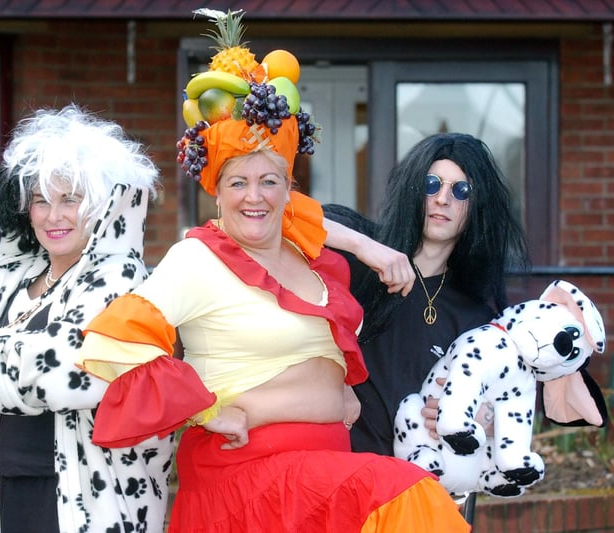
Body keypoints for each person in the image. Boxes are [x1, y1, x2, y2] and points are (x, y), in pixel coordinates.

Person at [75, 88, 472, 529]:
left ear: (289, 190)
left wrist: (336, 376)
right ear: (216, 192)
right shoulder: (198, 259)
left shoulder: (307, 256)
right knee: (407, 494)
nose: (254, 196)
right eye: (238, 182)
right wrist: (206, 412)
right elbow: (117, 340)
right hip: (247, 476)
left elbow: (316, 226)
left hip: (320, 470)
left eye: (269, 181)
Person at [0, 104, 174, 533]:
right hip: (4, 485)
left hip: (95, 496)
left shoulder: (123, 278)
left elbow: (69, 373)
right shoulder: (12, 276)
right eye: (41, 200)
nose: (53, 216)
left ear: (101, 204)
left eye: (70, 199)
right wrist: (29, 355)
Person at [322, 132, 529, 457]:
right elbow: (284, 214)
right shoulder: (360, 256)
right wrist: (363, 246)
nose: (442, 199)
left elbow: (506, 401)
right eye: (431, 184)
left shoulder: (475, 317)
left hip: (419, 490)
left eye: (461, 190)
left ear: (478, 207)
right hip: (341, 473)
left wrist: (485, 420)